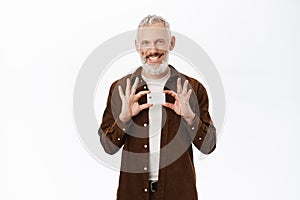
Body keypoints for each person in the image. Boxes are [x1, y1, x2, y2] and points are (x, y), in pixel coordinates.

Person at [98, 15, 216, 200]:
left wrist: (191, 118)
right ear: (137, 46)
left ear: (172, 43)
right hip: (133, 193)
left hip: (178, 193)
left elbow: (208, 146)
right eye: (146, 43)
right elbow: (108, 147)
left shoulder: (192, 88)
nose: (152, 50)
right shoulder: (121, 89)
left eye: (160, 41)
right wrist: (123, 119)